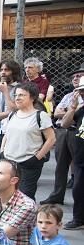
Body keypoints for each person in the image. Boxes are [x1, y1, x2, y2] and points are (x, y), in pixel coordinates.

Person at [1, 82, 56, 201]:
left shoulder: (40, 116)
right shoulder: (13, 115)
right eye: (16, 95)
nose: (17, 98)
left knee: (25, 197)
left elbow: (51, 139)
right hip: (10, 162)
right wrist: (2, 150)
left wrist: (36, 158)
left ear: (32, 97)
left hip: (29, 163)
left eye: (22, 95)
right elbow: (7, 134)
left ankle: (28, 219)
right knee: (9, 195)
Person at [40, 65, 83, 205]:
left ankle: (79, 200)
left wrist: (71, 112)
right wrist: (73, 111)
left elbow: (75, 115)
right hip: (63, 131)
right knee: (60, 166)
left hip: (77, 133)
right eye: (73, 77)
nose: (75, 79)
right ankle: (57, 195)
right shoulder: (69, 96)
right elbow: (57, 113)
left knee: (78, 166)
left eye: (79, 76)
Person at [59, 79, 84, 229]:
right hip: (80, 158)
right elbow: (64, 124)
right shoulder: (81, 109)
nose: (82, 93)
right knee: (78, 189)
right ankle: (78, 218)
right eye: (81, 91)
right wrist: (73, 108)